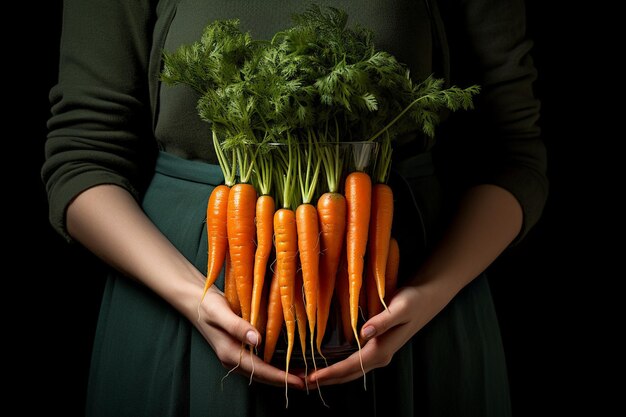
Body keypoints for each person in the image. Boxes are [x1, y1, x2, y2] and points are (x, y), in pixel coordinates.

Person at [42, 0, 547, 416]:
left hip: (412, 320)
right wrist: (192, 297)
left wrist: (429, 294)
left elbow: (514, 160)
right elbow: (82, 159)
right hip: (177, 312)